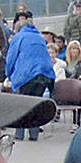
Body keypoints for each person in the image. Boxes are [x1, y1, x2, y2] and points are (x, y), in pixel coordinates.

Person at [4, 13, 55, 141]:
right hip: (45, 74)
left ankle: (19, 134)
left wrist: (8, 74)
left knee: (21, 104)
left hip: (26, 75)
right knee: (36, 103)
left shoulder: (18, 37)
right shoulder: (39, 37)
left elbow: (11, 58)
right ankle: (34, 134)